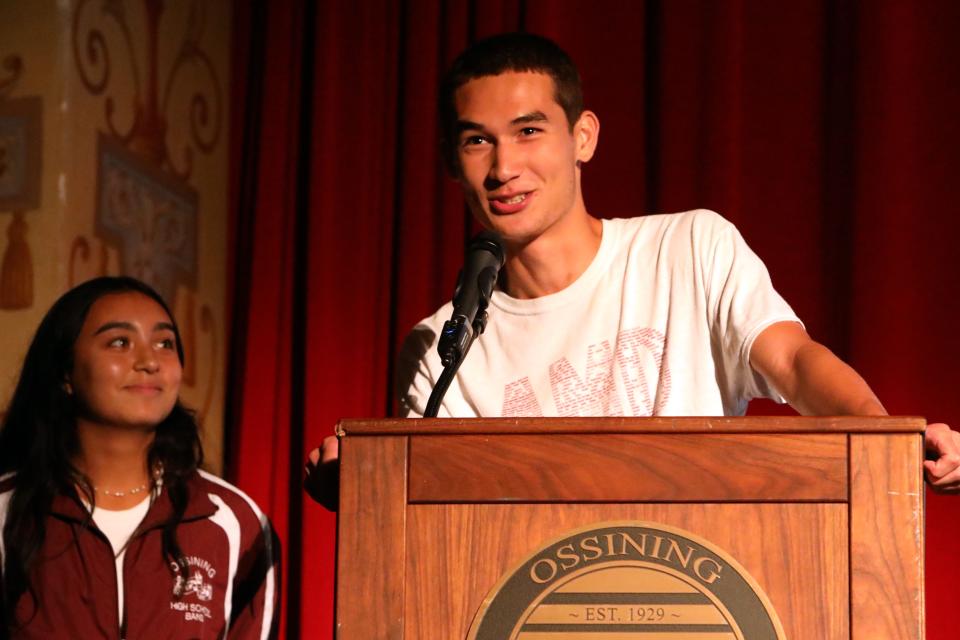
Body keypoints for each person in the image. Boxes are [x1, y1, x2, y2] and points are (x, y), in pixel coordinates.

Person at [304, 32, 960, 502]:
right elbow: (428, 509)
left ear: (582, 136)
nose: (504, 169)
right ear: (454, 160)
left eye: (529, 131)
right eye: (479, 141)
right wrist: (362, 484)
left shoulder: (689, 249)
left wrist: (889, 441)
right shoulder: (437, 348)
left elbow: (792, 362)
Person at [0, 277, 279, 639]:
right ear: (65, 372)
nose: (149, 361)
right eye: (120, 342)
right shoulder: (7, 511)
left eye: (165, 343)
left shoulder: (235, 522)